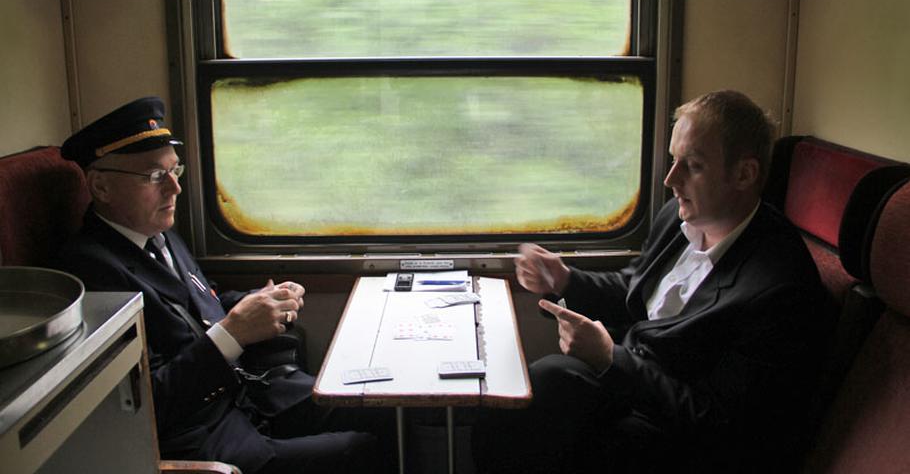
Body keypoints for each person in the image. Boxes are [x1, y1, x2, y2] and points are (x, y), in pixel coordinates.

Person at [473, 90, 834, 473]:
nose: (670, 179)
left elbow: (719, 421)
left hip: (675, 434)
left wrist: (611, 358)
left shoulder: (778, 290)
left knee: (540, 408)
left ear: (744, 174)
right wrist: (565, 280)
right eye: (673, 160)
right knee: (517, 401)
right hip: (635, 384)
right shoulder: (679, 220)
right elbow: (638, 292)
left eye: (692, 165)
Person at [56, 97, 390, 474]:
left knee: (378, 409)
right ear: (100, 186)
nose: (174, 189)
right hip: (203, 431)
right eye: (154, 176)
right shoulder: (92, 271)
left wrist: (260, 302)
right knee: (357, 450)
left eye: (174, 170)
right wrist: (234, 332)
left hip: (247, 394)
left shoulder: (156, 233)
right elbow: (148, 402)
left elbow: (199, 303)